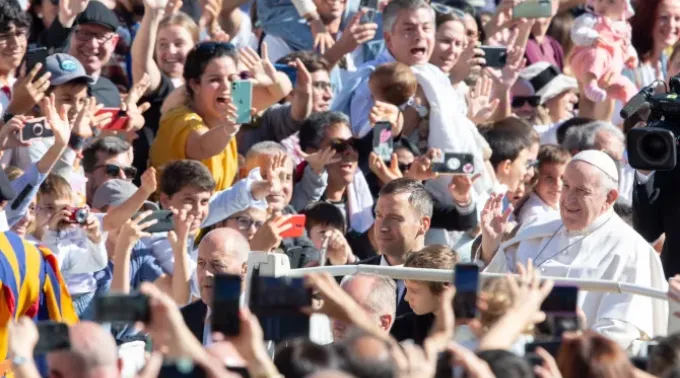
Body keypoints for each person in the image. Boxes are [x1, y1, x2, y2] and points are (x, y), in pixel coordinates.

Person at [481, 150, 668, 349]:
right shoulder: (536, 227)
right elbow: (497, 292)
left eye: (582, 191)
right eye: (567, 186)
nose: (568, 199)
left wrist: (568, 352)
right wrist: (491, 246)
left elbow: (618, 331)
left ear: (610, 197)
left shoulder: (631, 250)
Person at [150, 41, 292, 192]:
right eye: (215, 80)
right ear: (195, 85)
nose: (226, 87)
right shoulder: (179, 118)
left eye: (232, 79)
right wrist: (228, 129)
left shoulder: (234, 106)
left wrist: (271, 79)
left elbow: (281, 90)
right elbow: (203, 146)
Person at [359, 177, 433, 317]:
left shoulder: (444, 279)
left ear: (423, 224)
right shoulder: (355, 275)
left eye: (395, 218)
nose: (383, 227)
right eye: (379, 216)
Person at [181, 228, 250, 346]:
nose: (205, 273)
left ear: (244, 270)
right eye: (200, 263)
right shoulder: (184, 320)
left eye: (217, 264)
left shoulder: (263, 319)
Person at [332, 273, 397, 341]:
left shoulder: (404, 350)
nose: (336, 325)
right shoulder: (322, 350)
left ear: (383, 323)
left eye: (349, 313)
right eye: (335, 310)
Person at [82, 136, 135, 204]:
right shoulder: (70, 208)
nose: (123, 177)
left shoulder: (137, 209)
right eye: (112, 170)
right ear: (87, 174)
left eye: (128, 172)